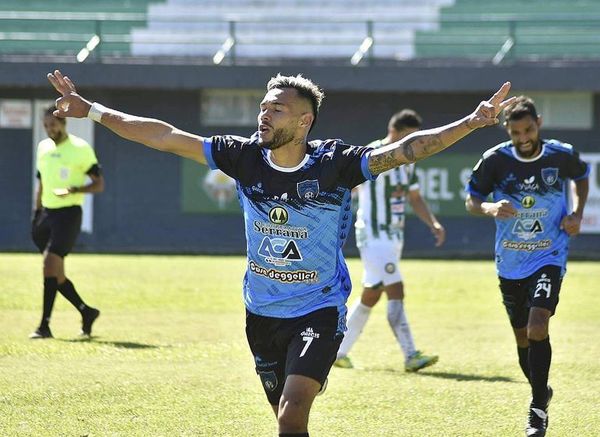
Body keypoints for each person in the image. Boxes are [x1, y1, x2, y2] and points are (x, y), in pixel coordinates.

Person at [48, 69, 514, 437]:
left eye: (278, 109)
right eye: (263, 107)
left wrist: (471, 123)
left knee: (290, 416)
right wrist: (91, 111)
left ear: (304, 120)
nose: (264, 115)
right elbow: (163, 135)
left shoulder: (335, 164)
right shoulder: (242, 156)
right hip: (261, 312)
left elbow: (408, 149)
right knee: (286, 420)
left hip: (319, 308)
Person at [465, 96, 589, 437]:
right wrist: (490, 208)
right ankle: (540, 391)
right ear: (507, 130)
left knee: (538, 326)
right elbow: (472, 200)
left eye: (529, 129)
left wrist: (576, 212)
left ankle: (537, 411)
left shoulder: (560, 155)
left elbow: (581, 176)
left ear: (539, 123)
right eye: (516, 131)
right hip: (510, 261)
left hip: (548, 255)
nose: (523, 137)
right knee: (523, 338)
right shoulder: (495, 161)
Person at [334, 109, 444, 371]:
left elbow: (414, 198)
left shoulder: (409, 160)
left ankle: (337, 352)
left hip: (393, 237)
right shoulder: (372, 154)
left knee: (371, 294)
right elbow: (348, 186)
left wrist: (433, 223)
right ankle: (410, 354)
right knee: (396, 289)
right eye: (410, 136)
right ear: (394, 132)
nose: (414, 142)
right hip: (373, 234)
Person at [30, 106, 104, 339]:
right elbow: (40, 183)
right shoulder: (43, 148)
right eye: (45, 125)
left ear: (63, 123)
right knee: (56, 274)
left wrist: (75, 189)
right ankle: (87, 311)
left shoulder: (81, 149)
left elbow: (99, 184)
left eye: (53, 124)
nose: (49, 129)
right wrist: (36, 213)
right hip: (46, 215)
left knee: (48, 266)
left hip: (68, 215)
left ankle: (44, 326)